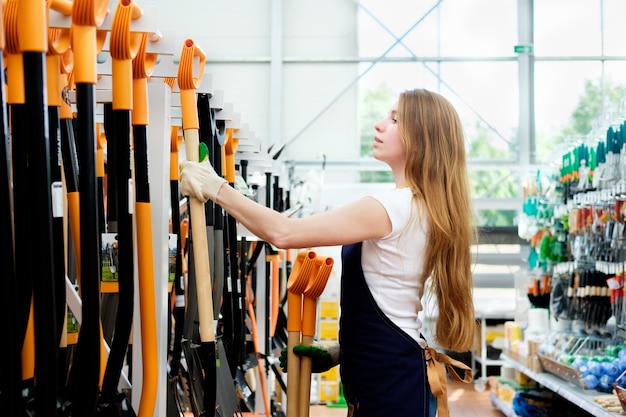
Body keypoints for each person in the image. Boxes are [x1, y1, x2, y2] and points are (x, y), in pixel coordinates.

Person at [179, 88, 476, 417]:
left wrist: (215, 186)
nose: (378, 125)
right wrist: (341, 351)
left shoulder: (392, 207)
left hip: (391, 382)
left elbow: (284, 232)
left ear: (420, 141)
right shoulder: (415, 207)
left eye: (394, 119)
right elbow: (393, 298)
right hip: (391, 371)